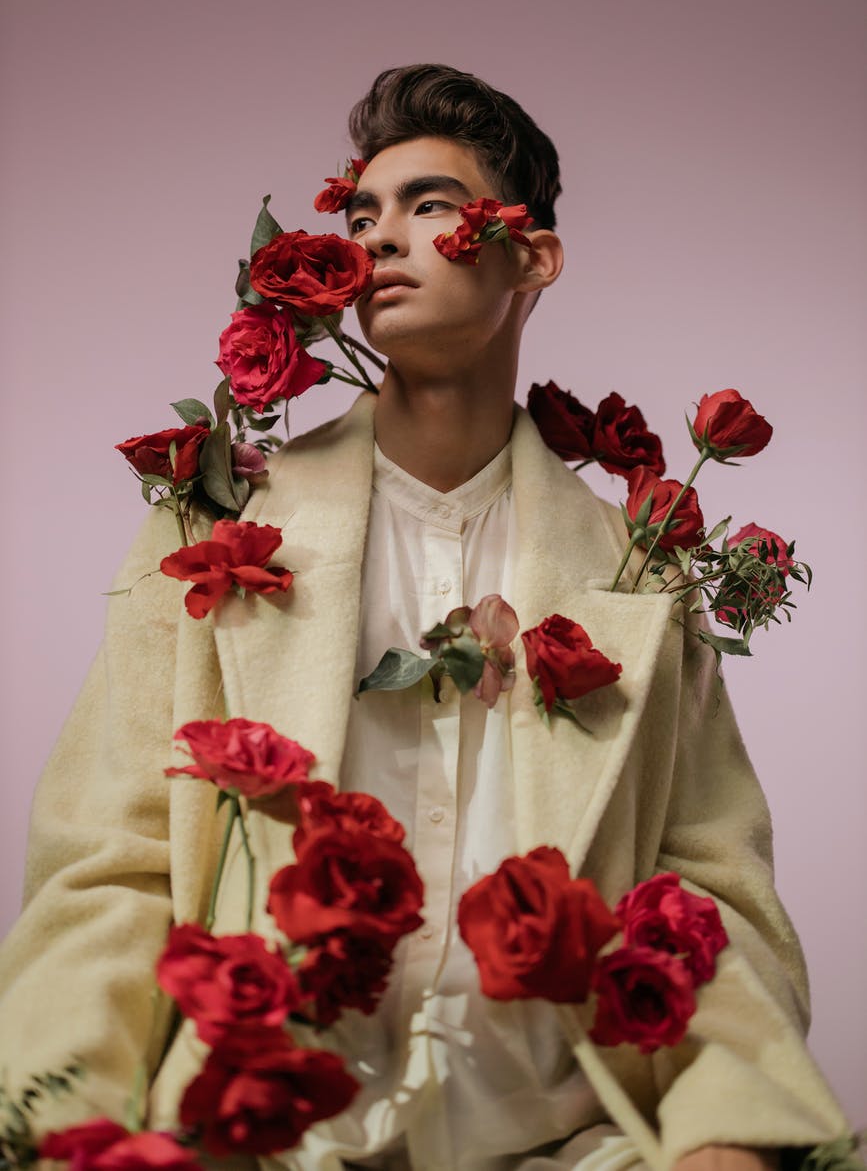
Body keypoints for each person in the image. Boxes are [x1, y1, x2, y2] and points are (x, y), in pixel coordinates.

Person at [0, 65, 852, 1170]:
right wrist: (66, 1120)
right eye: (362, 215)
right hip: (259, 1139)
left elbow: (709, 890)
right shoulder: (210, 525)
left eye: (430, 205)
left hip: (577, 1138)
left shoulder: (635, 573)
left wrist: (727, 1137)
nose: (379, 238)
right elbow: (107, 868)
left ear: (532, 255)